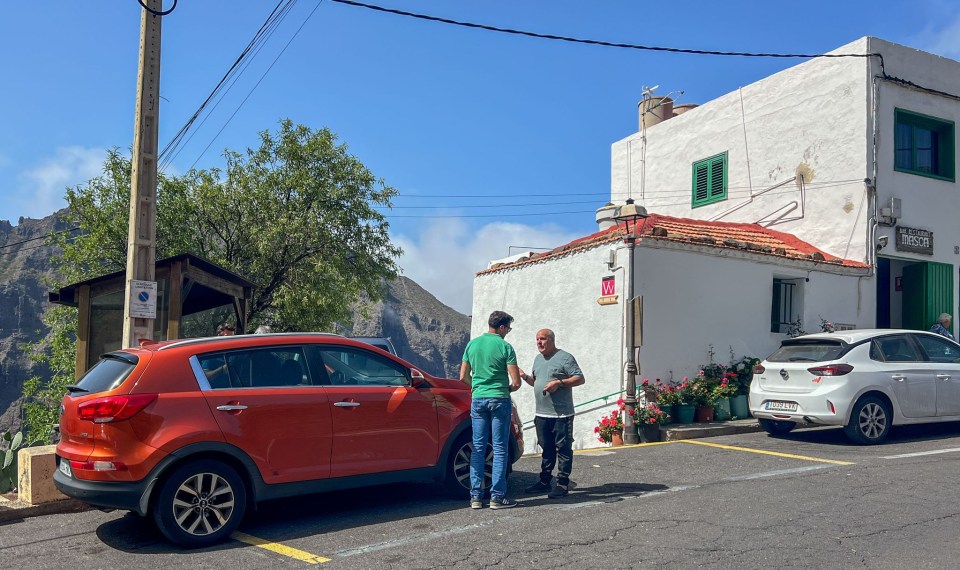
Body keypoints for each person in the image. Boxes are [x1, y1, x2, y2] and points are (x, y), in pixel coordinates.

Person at [460, 310, 522, 510]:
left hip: (478, 399)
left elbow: (463, 376)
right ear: (502, 327)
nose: (508, 332)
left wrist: (476, 387)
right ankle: (497, 496)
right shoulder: (505, 347)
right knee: (500, 448)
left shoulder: (472, 345)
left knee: (478, 447)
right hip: (499, 399)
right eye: (508, 328)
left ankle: (475, 497)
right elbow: (516, 381)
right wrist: (506, 388)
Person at [519, 329, 584, 499]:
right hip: (541, 414)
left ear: (552, 340)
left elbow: (579, 378)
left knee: (563, 449)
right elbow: (537, 383)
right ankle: (544, 481)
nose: (539, 342)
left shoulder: (565, 357)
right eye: (537, 339)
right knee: (546, 448)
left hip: (561, 415)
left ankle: (562, 483)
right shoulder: (538, 359)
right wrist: (525, 377)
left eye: (543, 339)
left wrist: (559, 383)